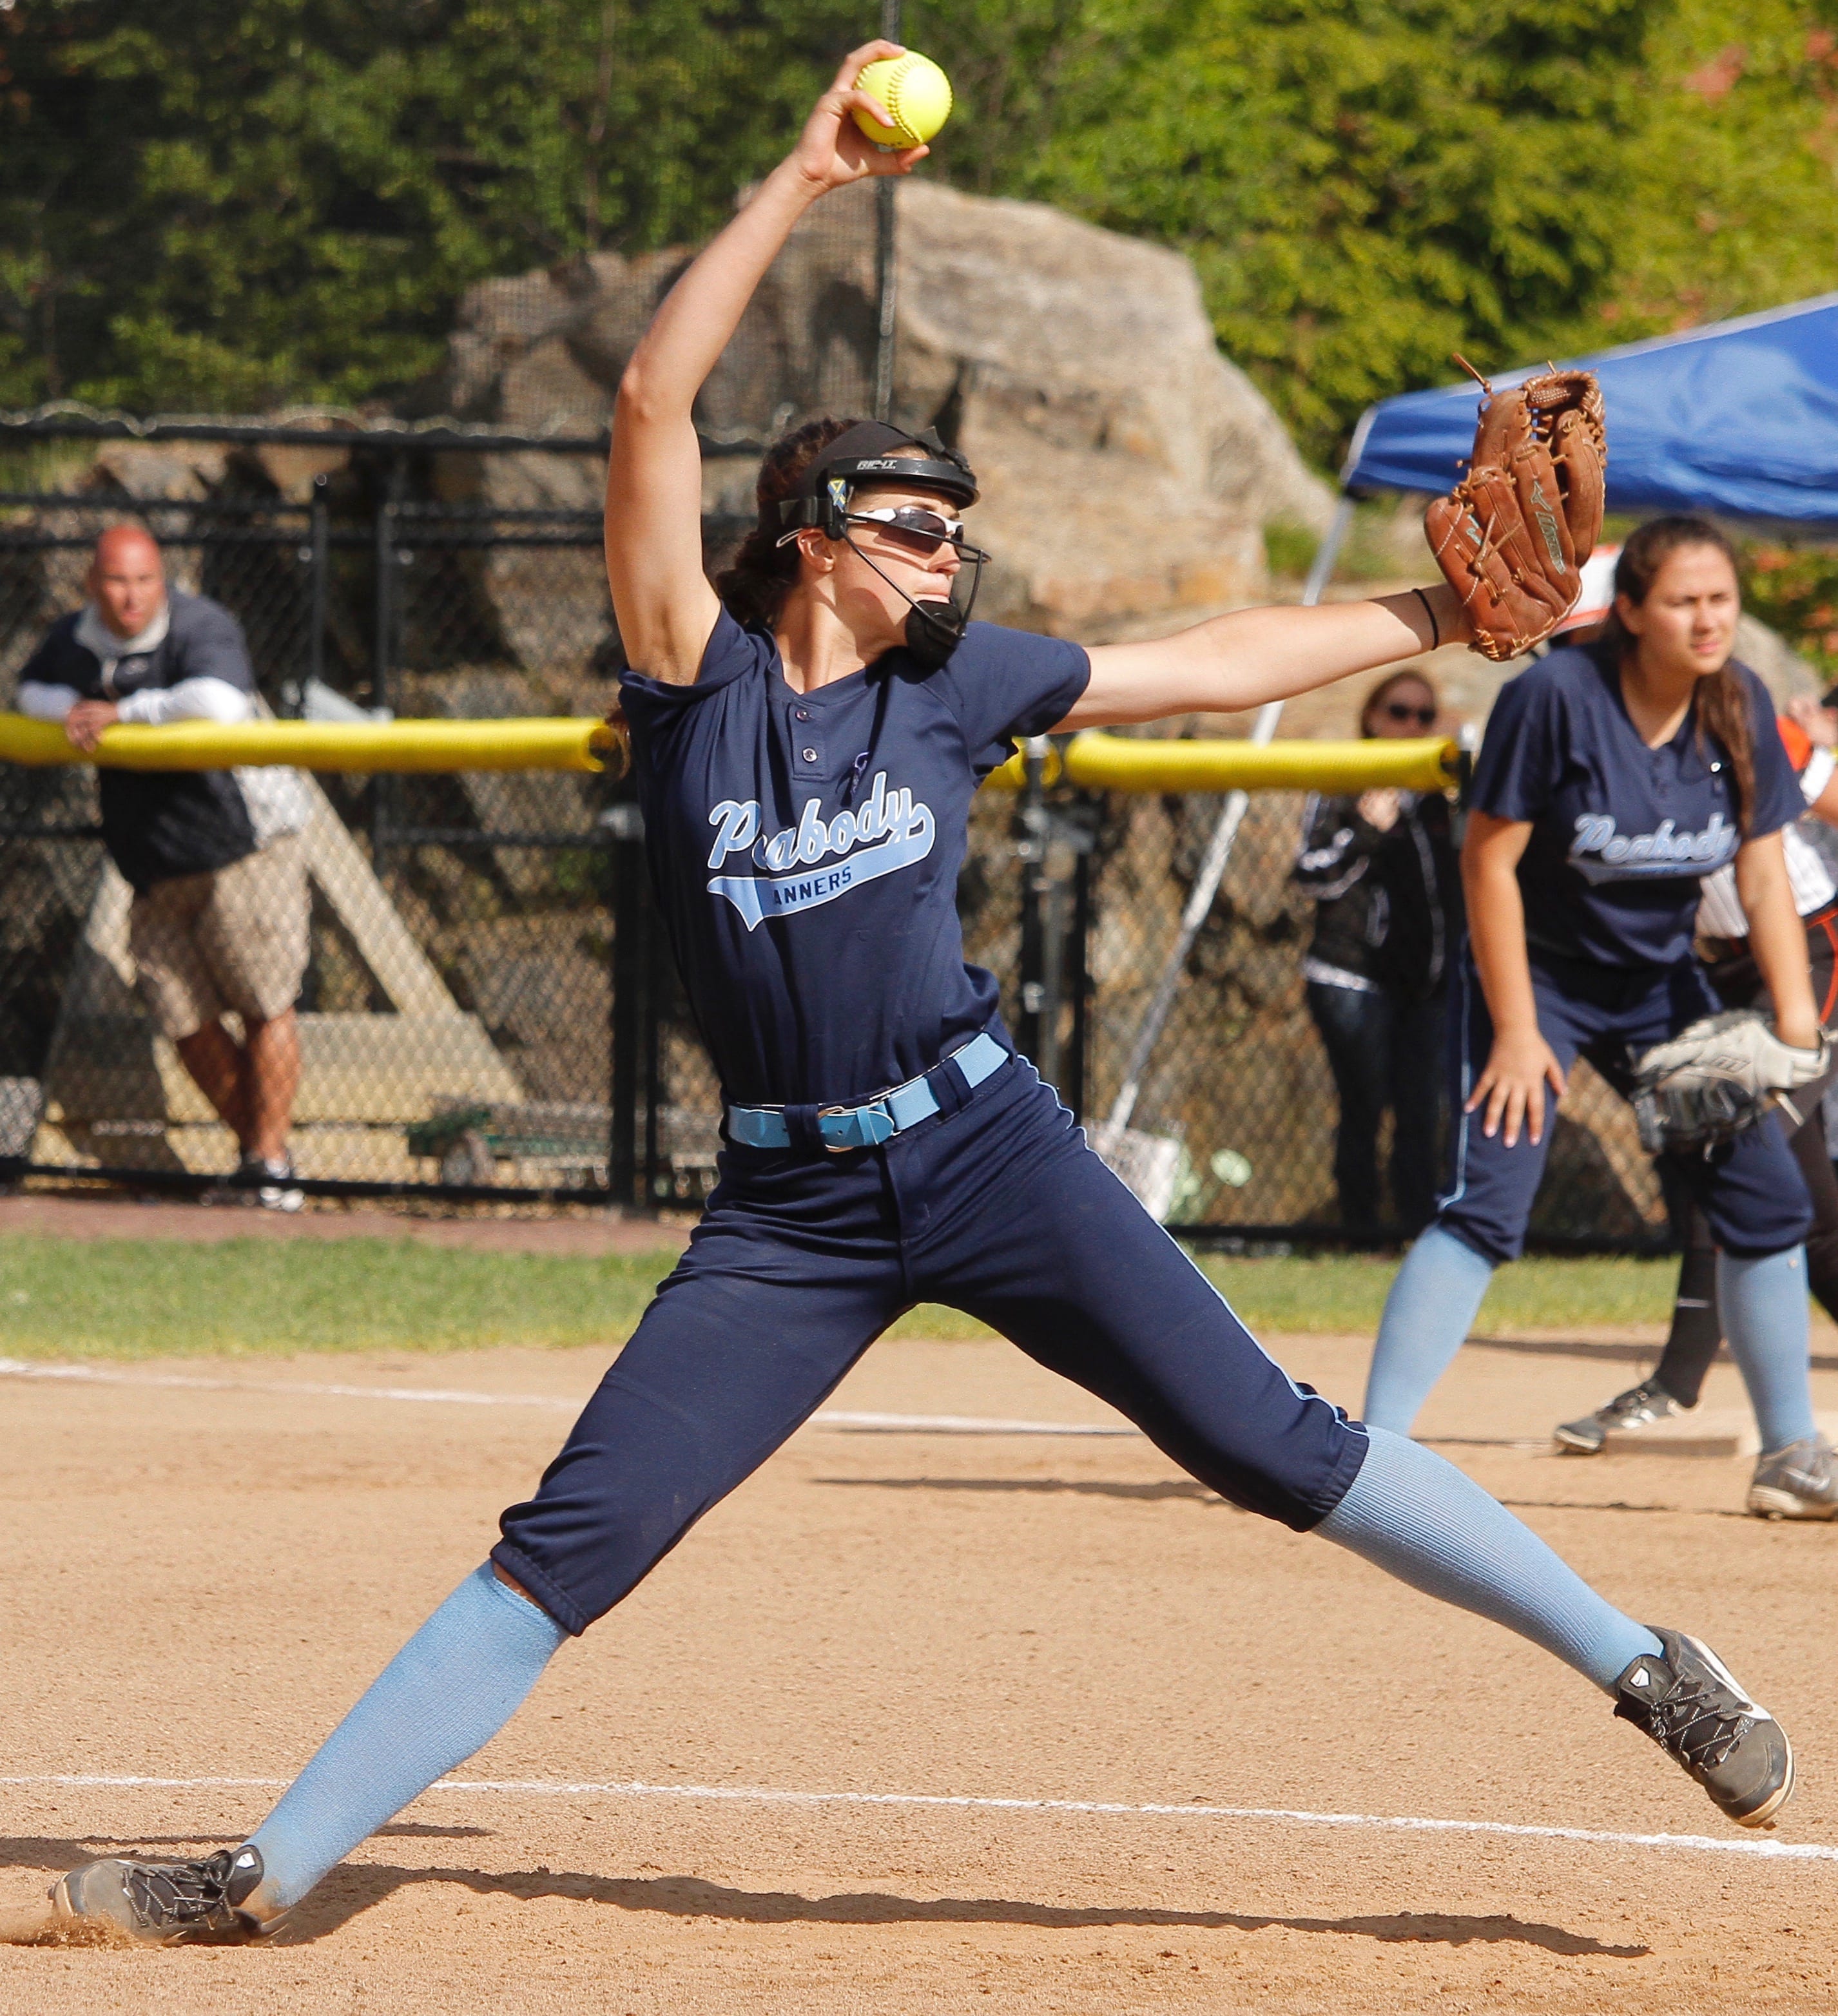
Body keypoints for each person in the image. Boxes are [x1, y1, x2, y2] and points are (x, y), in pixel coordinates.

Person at [41, 52, 1795, 1948]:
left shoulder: (954, 686)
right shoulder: (695, 682)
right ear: (814, 535)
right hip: (788, 1212)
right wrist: (804, 174)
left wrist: (1433, 615)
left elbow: (1207, 661)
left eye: (957, 529)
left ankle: (1643, 1665)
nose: (949, 551)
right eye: (915, 524)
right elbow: (649, 402)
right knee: (574, 1539)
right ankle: (263, 1872)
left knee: (1274, 1445)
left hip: (985, 1149)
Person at [1361, 516, 1834, 1521]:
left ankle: (1792, 1453)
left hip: (1660, 985)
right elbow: (1488, 862)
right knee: (1489, 1202)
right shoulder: (1558, 698)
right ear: (1630, 612)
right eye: (1683, 602)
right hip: (1537, 976)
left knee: (1763, 1198)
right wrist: (1518, 1028)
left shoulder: (1737, 700)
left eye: (1721, 599)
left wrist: (1797, 1021)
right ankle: (1369, 1454)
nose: (1708, 621)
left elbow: (1761, 874)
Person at [1558, 699, 1838, 1452]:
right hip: (1712, 967)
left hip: (1811, 952)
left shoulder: (1736, 712)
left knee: (1728, 1143)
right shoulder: (1592, 725)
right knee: (1810, 1206)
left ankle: (1675, 1384)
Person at [17, 526, 310, 1209]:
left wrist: (121, 713)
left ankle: (268, 1170)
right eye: (117, 581)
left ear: (163, 580)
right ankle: (265, 1162)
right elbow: (29, 692)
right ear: (92, 584)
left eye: (145, 581)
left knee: (264, 1005)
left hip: (244, 848)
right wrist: (74, 711)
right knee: (183, 1017)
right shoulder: (75, 637)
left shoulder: (200, 624)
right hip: (154, 863)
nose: (131, 597)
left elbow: (220, 703)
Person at [1294, 668, 1458, 1236]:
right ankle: (1360, 1230)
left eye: (1423, 715)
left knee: (1421, 1111)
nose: (1411, 724)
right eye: (1398, 712)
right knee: (1364, 1103)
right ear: (1370, 716)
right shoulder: (1344, 779)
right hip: (1352, 977)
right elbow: (1311, 876)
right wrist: (1365, 828)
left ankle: (1417, 1231)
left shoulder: (1439, 791)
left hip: (1424, 983)